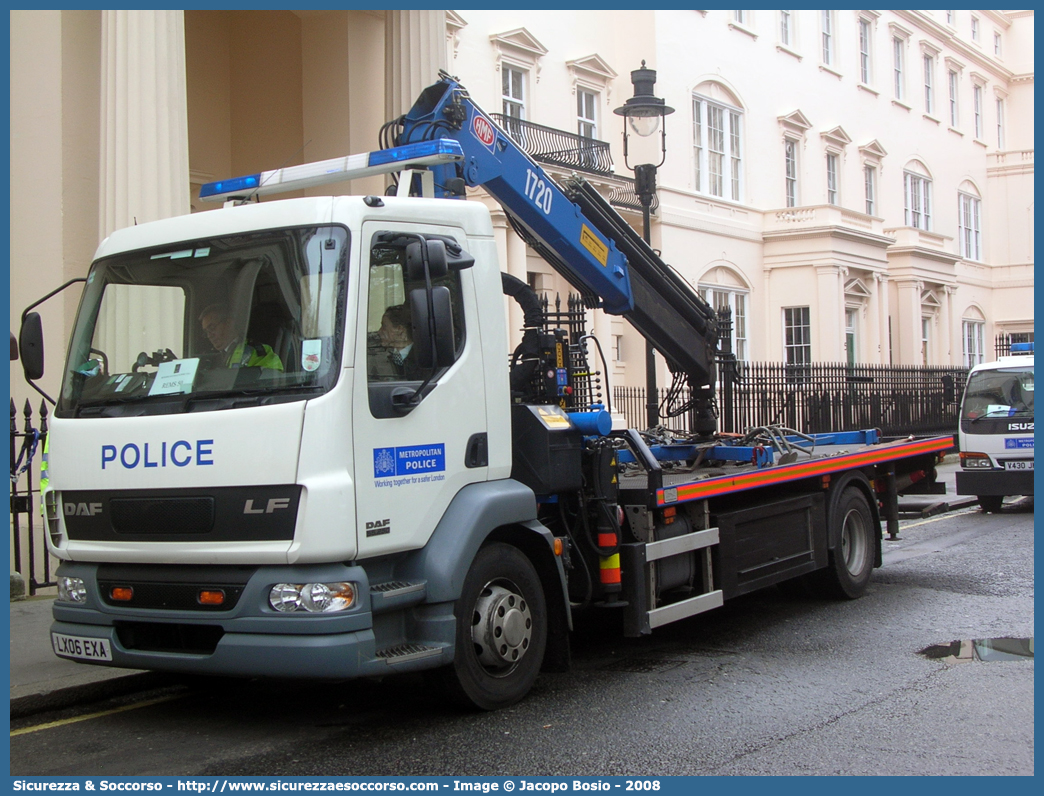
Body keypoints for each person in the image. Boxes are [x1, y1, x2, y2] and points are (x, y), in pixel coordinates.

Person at [199, 303, 283, 371]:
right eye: (206, 332)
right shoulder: (208, 360)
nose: (209, 335)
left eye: (212, 328)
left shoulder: (256, 352)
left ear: (229, 323)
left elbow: (272, 382)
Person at [377, 303, 424, 379]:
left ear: (399, 330)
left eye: (384, 327)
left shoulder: (423, 360)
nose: (379, 331)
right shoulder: (381, 356)